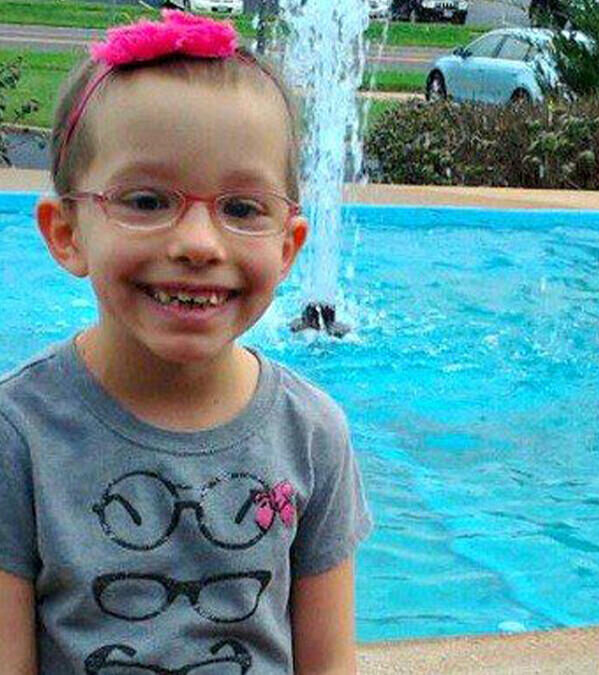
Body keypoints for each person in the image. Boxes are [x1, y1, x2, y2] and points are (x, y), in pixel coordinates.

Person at [0, 9, 372, 674]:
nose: (199, 244)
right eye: (145, 200)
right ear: (66, 232)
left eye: (241, 208)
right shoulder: (18, 434)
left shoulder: (312, 435)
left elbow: (328, 662)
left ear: (288, 247)